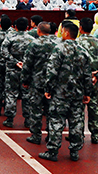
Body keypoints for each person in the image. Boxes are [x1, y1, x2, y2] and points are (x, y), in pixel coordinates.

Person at [39, 22, 93, 162]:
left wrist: (48, 89)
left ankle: (53, 151)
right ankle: (75, 151)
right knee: (76, 122)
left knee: (56, 121)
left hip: (60, 93)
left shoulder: (59, 49)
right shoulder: (83, 51)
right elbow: (88, 75)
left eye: (62, 31)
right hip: (77, 93)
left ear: (67, 33)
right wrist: (88, 93)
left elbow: (52, 71)